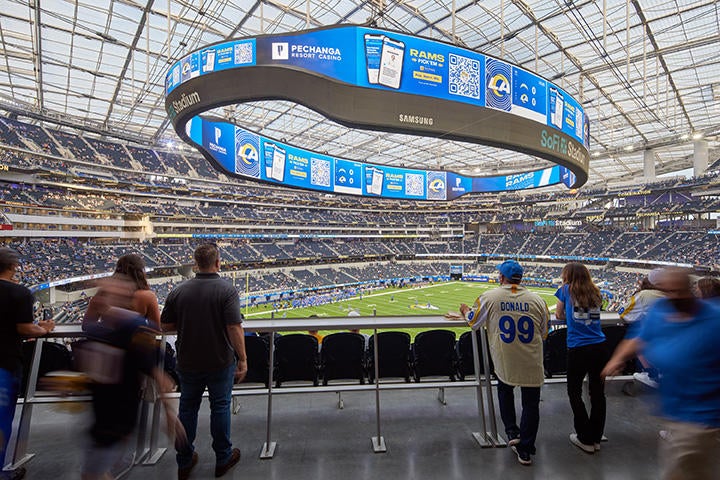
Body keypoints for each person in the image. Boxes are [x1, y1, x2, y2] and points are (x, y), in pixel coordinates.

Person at [602, 268, 720, 479]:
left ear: (689, 290)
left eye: (677, 291)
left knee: (683, 469)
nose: (672, 297)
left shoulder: (713, 318)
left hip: (703, 415)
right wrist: (616, 359)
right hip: (675, 410)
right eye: (668, 291)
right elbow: (638, 338)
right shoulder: (661, 311)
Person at [79, 275, 178, 480]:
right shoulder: (101, 330)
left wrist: (169, 415)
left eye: (107, 294)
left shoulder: (133, 329)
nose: (99, 298)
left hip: (118, 417)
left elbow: (160, 376)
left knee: (91, 474)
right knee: (94, 473)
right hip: (101, 414)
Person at [161, 243, 246, 480]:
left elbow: (164, 325)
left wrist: (190, 325)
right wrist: (243, 359)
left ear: (195, 263)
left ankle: (184, 461)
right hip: (220, 359)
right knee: (220, 406)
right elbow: (233, 327)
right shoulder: (227, 290)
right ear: (218, 262)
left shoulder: (179, 291)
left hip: (188, 359)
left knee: (187, 409)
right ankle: (223, 458)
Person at [456, 260, 549, 466]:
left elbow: (473, 321)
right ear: (521, 278)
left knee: (505, 392)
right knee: (531, 404)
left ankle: (511, 431)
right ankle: (525, 449)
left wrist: (464, 310)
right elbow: (544, 332)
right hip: (531, 358)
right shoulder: (538, 300)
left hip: (505, 358)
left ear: (501, 277)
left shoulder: (489, 297)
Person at [0, 248, 55, 480]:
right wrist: (44, 328)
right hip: (4, 362)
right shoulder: (18, 292)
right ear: (12, 267)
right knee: (1, 421)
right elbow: (24, 328)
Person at [555, 262, 607, 454]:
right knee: (598, 393)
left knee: (574, 392)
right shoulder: (595, 291)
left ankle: (585, 436)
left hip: (578, 347)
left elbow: (558, 314)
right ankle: (596, 436)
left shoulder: (566, 290)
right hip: (599, 346)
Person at [618, 270, 665, 388]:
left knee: (637, 342)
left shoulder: (644, 295)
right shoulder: (672, 294)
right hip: (671, 335)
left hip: (652, 335)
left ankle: (652, 376)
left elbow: (624, 313)